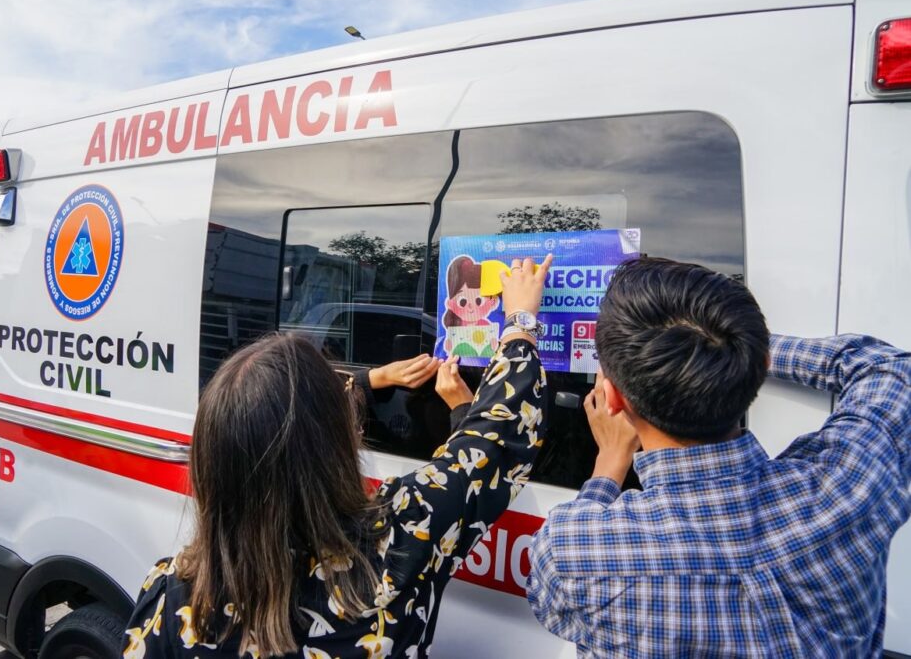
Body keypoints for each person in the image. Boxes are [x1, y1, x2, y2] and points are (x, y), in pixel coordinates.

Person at [124, 255, 553, 658]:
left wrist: (371, 380)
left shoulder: (170, 600)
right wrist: (518, 323)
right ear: (336, 448)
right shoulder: (397, 543)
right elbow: (497, 436)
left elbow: (292, 426)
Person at [527, 257, 911, 657]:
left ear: (612, 398)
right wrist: (732, 348)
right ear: (762, 364)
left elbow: (548, 600)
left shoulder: (572, 551)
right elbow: (891, 369)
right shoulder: (850, 488)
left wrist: (608, 466)